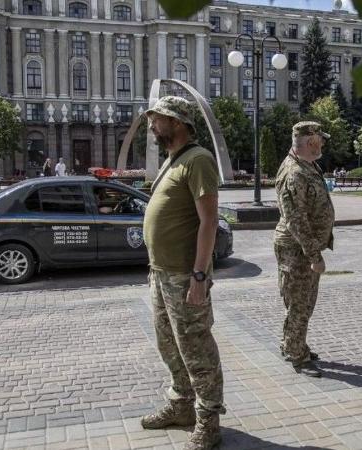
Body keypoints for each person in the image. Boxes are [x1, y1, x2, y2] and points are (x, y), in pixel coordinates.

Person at [140, 96, 224, 450]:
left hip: (184, 277)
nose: (151, 126)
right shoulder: (172, 161)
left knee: (196, 348)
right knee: (169, 345)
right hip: (161, 274)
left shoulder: (199, 159)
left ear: (176, 122)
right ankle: (181, 407)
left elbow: (209, 222)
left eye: (156, 119)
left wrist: (199, 277)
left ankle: (208, 420)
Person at [274, 121, 335, 378]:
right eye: (320, 139)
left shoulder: (308, 165)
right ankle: (297, 355)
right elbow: (295, 219)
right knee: (300, 303)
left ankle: (294, 343)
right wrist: (314, 256)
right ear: (310, 141)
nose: (322, 142)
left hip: (304, 247)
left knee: (303, 302)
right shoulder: (294, 173)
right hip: (297, 249)